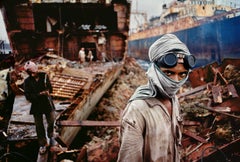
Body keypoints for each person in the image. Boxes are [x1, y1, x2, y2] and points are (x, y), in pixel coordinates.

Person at [117, 34, 196, 162]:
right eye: (169, 73)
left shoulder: (173, 100)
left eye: (182, 74)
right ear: (155, 70)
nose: (175, 81)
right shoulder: (138, 109)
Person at [23, 61, 55, 155]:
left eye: (34, 72)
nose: (33, 75)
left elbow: (50, 88)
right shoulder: (27, 81)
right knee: (39, 125)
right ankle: (42, 144)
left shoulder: (44, 76)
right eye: (30, 73)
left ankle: (50, 135)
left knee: (52, 120)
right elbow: (28, 96)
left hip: (46, 103)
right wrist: (39, 94)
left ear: (36, 70)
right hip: (36, 105)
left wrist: (48, 91)